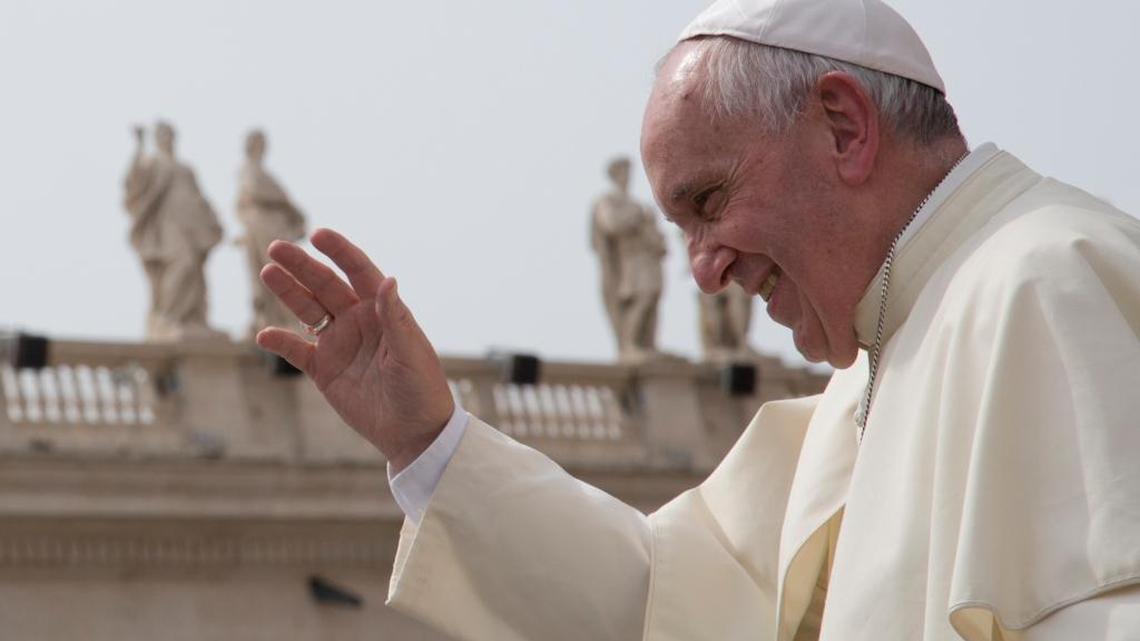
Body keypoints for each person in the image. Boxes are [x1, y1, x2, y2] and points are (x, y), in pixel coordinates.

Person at [254, 0, 1140, 639]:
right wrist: (428, 440)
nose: (704, 271)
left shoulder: (1050, 283)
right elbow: (665, 606)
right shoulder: (865, 380)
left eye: (710, 202)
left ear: (843, 127)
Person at [123, 121, 224, 341]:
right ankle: (168, 317)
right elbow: (135, 180)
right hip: (168, 225)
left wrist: (213, 221)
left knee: (196, 272)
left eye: (170, 135)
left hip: (192, 224)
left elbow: (200, 196)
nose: (167, 139)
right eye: (163, 135)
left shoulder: (186, 168)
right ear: (157, 139)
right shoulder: (153, 162)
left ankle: (192, 320)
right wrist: (139, 147)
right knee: (182, 264)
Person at [590, 156, 669, 361]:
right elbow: (611, 224)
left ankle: (648, 345)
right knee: (641, 296)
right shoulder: (608, 201)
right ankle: (630, 344)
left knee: (652, 298)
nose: (627, 177)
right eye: (623, 172)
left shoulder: (635, 203)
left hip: (648, 258)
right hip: (630, 261)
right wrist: (636, 216)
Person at [235, 129, 307, 339]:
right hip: (262, 226)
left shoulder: (260, 171)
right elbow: (255, 192)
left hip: (273, 226)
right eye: (259, 142)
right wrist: (286, 203)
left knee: (283, 269)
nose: (262, 146)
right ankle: (276, 318)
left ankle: (287, 319)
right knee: (273, 270)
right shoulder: (248, 169)